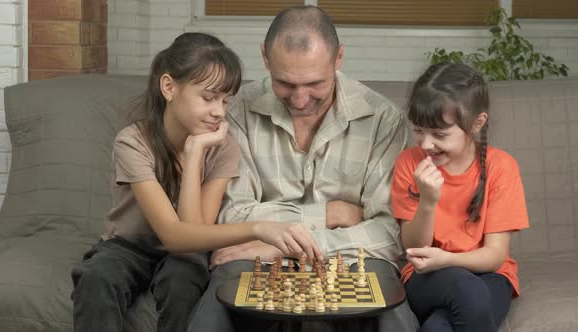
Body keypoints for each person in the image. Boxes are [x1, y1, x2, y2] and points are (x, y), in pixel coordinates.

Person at [187, 6, 418, 332]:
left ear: (338, 58)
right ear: (265, 58)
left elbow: (390, 233)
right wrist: (330, 215)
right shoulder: (236, 112)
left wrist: (280, 241)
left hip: (349, 259)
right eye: (285, 83)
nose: (299, 100)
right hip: (254, 259)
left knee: (394, 320)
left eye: (314, 84)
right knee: (212, 315)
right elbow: (230, 216)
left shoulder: (383, 120)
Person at [70, 32, 322, 332]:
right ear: (169, 87)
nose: (219, 111)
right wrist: (259, 228)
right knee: (97, 276)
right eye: (208, 97)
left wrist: (194, 153)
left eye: (225, 100)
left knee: (183, 279)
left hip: (189, 250)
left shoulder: (223, 147)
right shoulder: (133, 143)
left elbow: (194, 231)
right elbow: (175, 234)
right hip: (130, 245)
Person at [391, 62, 530, 331]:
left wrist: (448, 259)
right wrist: (428, 201)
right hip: (425, 276)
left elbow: (494, 256)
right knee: (467, 290)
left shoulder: (501, 167)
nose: (426, 144)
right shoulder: (409, 163)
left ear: (477, 123)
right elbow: (414, 248)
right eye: (419, 131)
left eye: (439, 134)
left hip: (489, 275)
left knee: (437, 327)